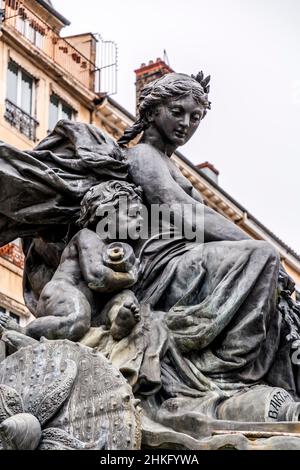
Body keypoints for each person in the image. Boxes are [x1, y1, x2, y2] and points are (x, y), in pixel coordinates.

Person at [114, 72, 300, 426]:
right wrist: (251, 244)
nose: (186, 123)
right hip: (163, 267)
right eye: (178, 112)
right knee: (262, 256)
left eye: (195, 117)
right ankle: (228, 371)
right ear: (153, 111)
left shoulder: (171, 163)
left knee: (268, 275)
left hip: (189, 260)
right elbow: (175, 208)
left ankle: (256, 376)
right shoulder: (142, 155)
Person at [0, 180, 142, 342]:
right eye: (133, 214)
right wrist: (130, 277)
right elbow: (97, 277)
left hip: (91, 307)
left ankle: (118, 322)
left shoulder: (113, 248)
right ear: (105, 214)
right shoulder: (88, 236)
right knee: (78, 318)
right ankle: (25, 330)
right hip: (61, 293)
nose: (140, 221)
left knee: (126, 296)